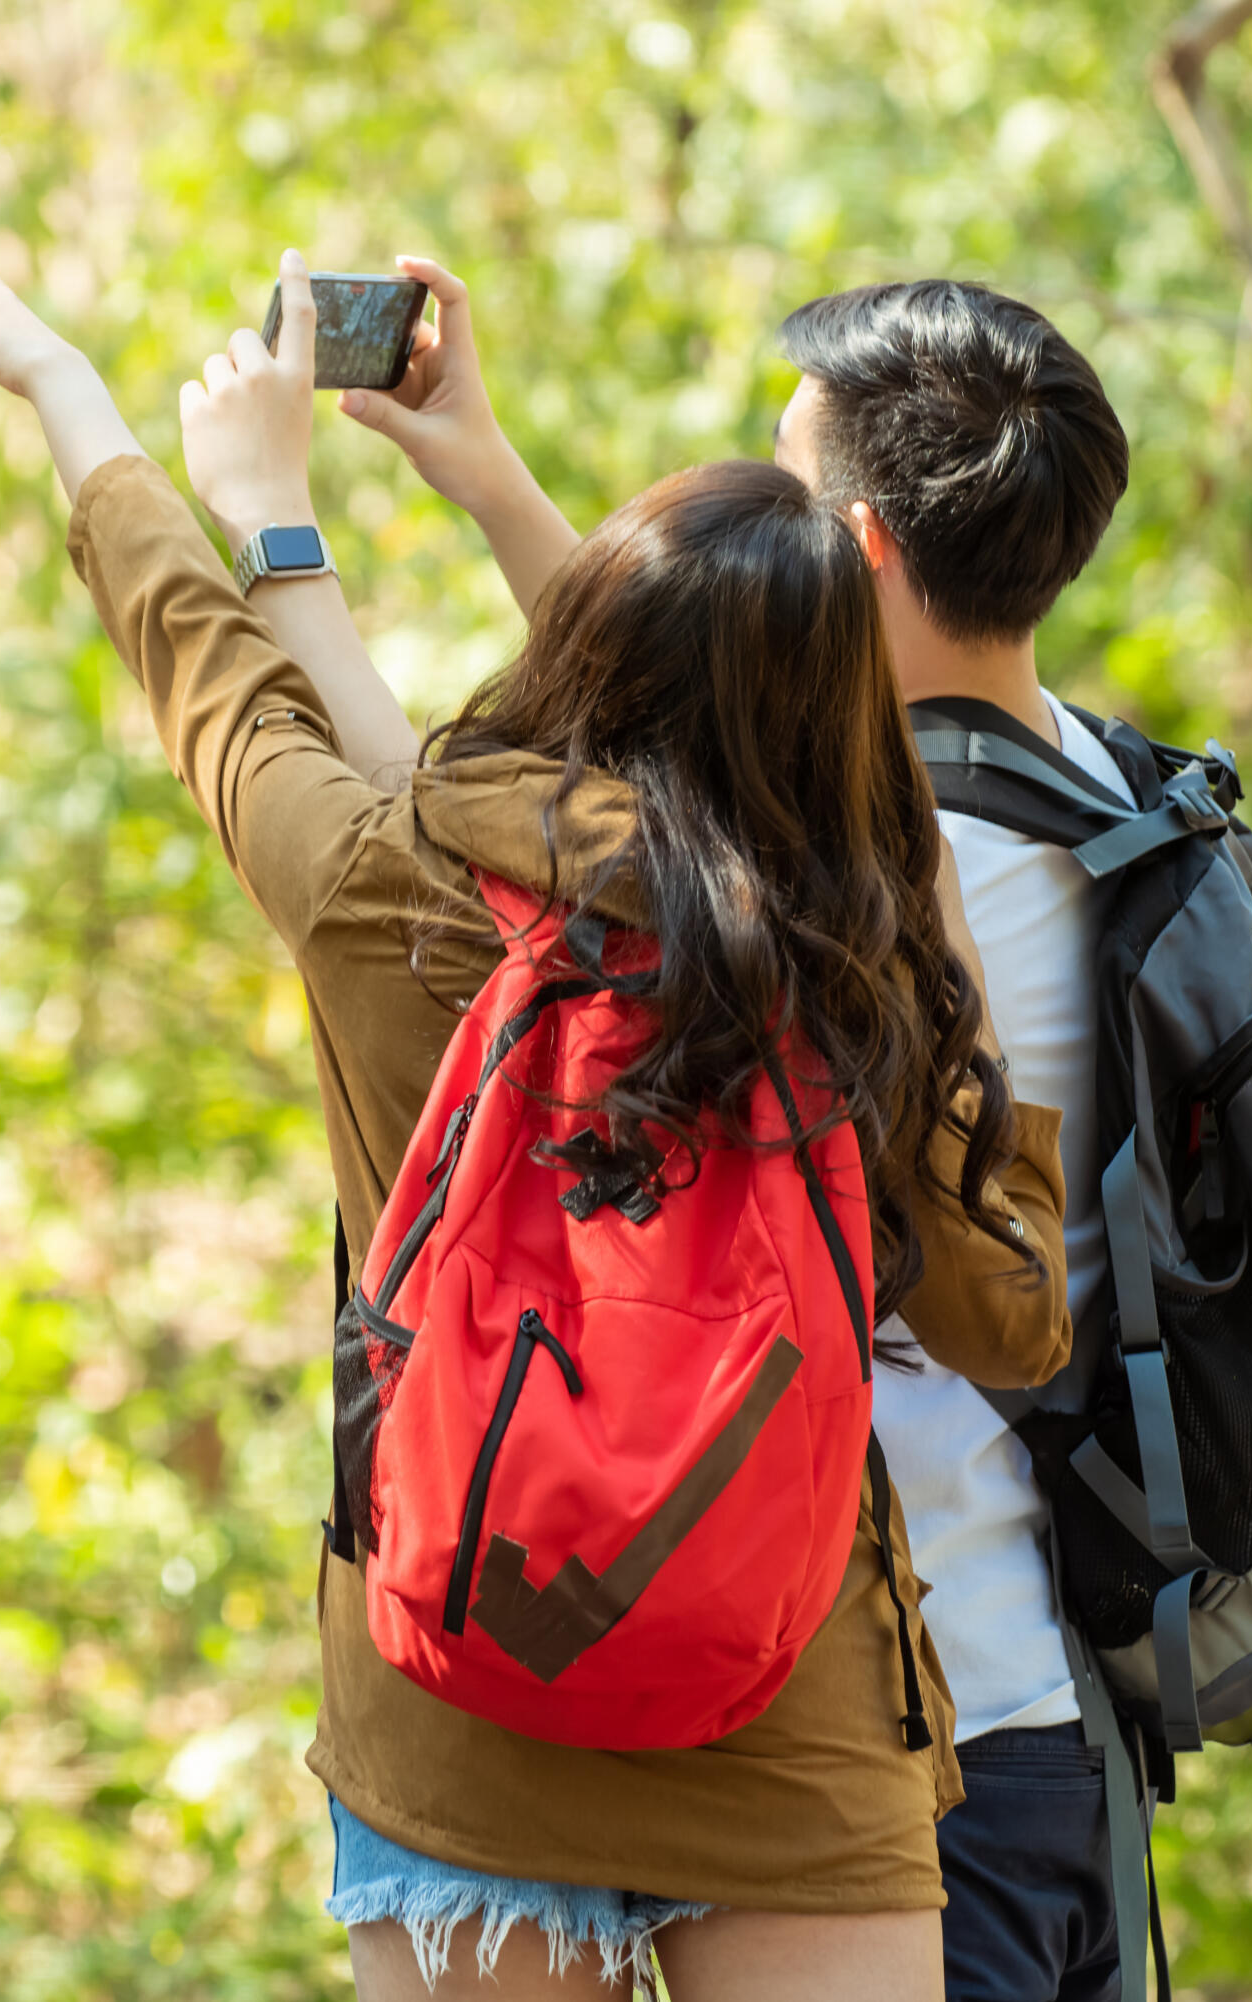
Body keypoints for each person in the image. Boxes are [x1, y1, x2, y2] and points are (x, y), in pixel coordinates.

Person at [0, 197, 1076, 2001]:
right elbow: (1011, 1315)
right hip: (789, 1735)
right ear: (843, 728)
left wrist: (76, 392)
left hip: (461, 1726)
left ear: (578, 664)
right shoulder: (859, 970)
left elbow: (207, 667)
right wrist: (896, 865)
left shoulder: (388, 892)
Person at [338, 266, 1137, 2001]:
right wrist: (484, 475)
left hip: (846, 1725)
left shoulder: (870, 891)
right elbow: (689, 716)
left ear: (847, 553)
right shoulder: (1105, 812)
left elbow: (584, 795)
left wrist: (275, 535)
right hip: (1046, 1702)